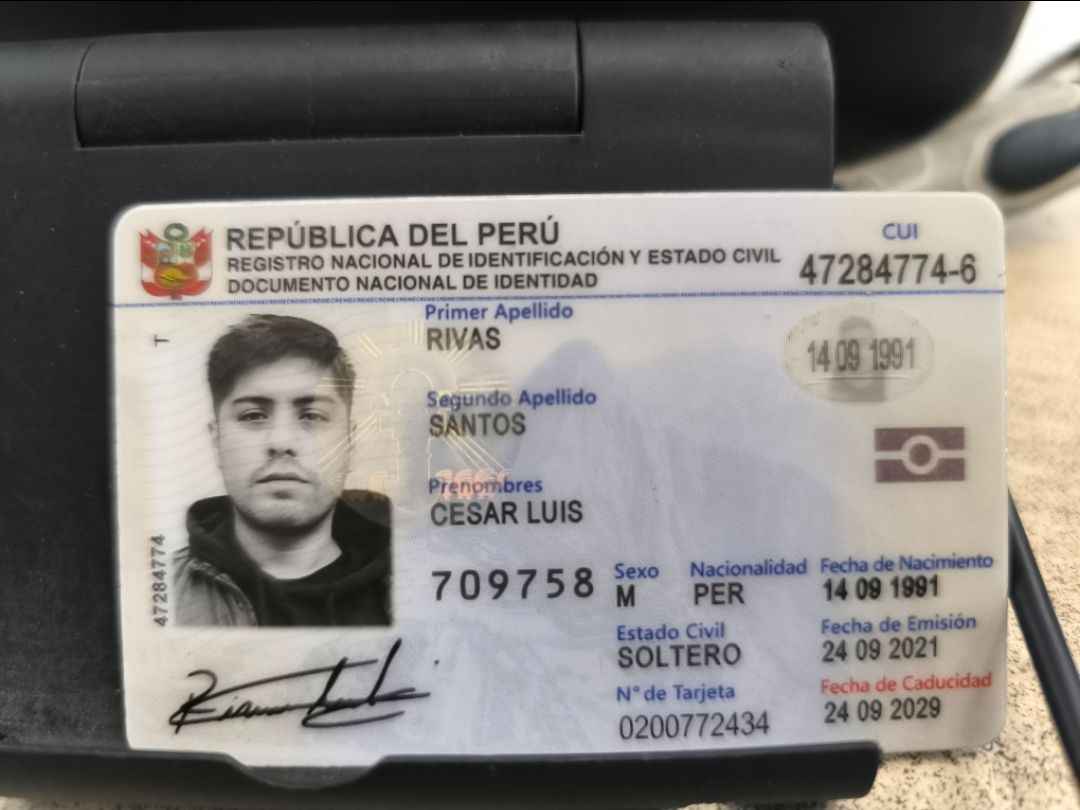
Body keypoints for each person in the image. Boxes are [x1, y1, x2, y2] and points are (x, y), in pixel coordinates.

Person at [173, 314, 391, 627]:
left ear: (350, 442)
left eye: (312, 416)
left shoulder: (419, 583)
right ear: (217, 440)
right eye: (253, 416)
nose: (281, 442)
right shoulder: (160, 594)